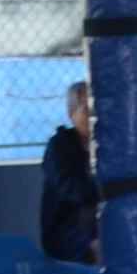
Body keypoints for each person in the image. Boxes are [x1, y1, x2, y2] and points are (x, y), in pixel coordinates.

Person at [35, 82, 98, 263]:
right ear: (72, 113)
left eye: (96, 110)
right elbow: (73, 191)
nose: (93, 117)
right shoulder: (59, 146)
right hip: (67, 233)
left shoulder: (107, 145)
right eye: (87, 110)